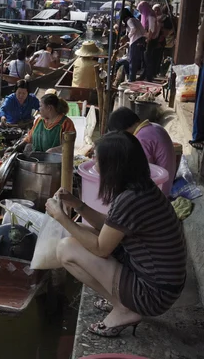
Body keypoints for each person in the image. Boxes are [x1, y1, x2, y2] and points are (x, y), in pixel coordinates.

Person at [45, 132, 186, 337]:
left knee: (66, 249)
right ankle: (121, 302)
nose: (94, 162)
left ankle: (123, 308)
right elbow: (110, 226)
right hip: (162, 284)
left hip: (154, 294)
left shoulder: (131, 199)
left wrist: (60, 217)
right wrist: (78, 204)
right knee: (81, 233)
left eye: (98, 159)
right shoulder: (142, 189)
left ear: (115, 166)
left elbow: (101, 249)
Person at [107, 107, 176, 195]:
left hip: (158, 192)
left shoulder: (141, 138)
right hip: (167, 184)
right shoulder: (154, 126)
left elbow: (142, 171)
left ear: (123, 130)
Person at [120, 8, 147, 82]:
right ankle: (136, 76)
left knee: (132, 60)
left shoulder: (129, 20)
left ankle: (132, 78)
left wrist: (129, 36)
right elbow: (143, 30)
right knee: (139, 59)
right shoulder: (136, 20)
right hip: (141, 39)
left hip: (135, 41)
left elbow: (133, 29)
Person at [138, 1, 160, 82]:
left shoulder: (150, 15)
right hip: (149, 39)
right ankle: (144, 75)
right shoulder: (150, 14)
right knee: (146, 59)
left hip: (150, 40)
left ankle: (149, 77)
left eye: (140, 9)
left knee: (148, 59)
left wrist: (148, 39)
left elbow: (152, 29)